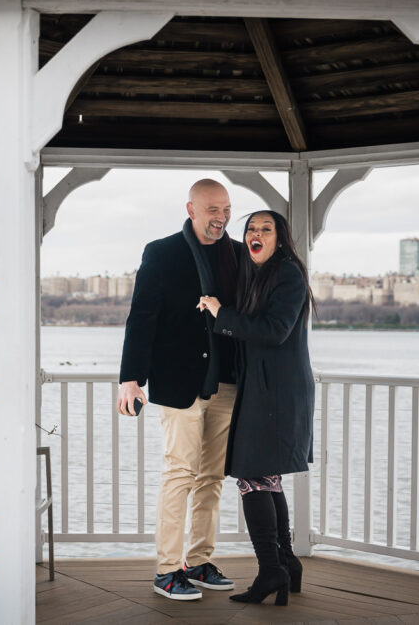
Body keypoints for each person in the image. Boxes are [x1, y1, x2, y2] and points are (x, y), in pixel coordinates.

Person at [117, 179, 243, 601]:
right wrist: (131, 377)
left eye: (226, 209)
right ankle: (168, 569)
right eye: (212, 210)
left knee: (212, 478)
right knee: (179, 474)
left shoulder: (240, 255)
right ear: (191, 209)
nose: (221, 217)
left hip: (227, 382)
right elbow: (142, 317)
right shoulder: (162, 252)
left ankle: (201, 560)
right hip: (178, 383)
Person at [197, 210, 315, 606]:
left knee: (250, 476)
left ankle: (271, 570)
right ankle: (285, 563)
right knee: (266, 478)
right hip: (267, 391)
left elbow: (273, 331)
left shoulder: (288, 274)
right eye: (251, 228)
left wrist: (220, 314)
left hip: (276, 395)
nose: (256, 234)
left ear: (280, 240)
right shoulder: (262, 274)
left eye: (266, 229)